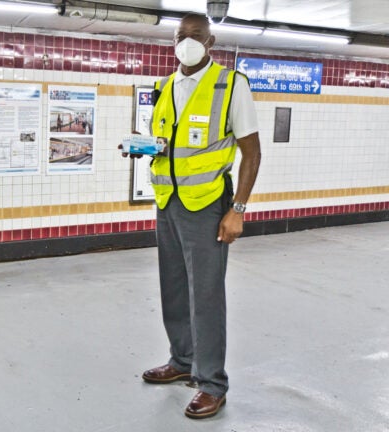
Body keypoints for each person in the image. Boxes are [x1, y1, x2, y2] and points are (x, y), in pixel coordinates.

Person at [122, 14, 261, 419]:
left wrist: (237, 211)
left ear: (211, 40)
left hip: (208, 206)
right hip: (167, 201)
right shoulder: (164, 86)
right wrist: (145, 147)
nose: (187, 42)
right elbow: (168, 142)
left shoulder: (231, 84)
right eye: (181, 36)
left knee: (206, 296)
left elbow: (251, 153)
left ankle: (212, 383)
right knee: (174, 289)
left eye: (196, 36)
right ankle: (182, 360)